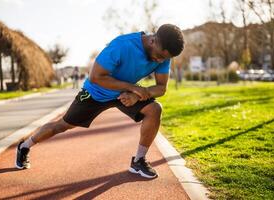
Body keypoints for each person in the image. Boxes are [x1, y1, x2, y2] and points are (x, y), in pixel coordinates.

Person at [16, 24, 184, 179]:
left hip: (125, 93)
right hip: (96, 93)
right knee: (61, 126)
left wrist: (137, 94)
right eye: (160, 56)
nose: (161, 61)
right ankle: (25, 146)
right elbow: (95, 77)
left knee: (155, 110)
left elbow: (161, 87)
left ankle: (139, 161)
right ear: (153, 40)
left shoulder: (164, 54)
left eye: (165, 58)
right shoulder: (122, 45)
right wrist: (133, 88)